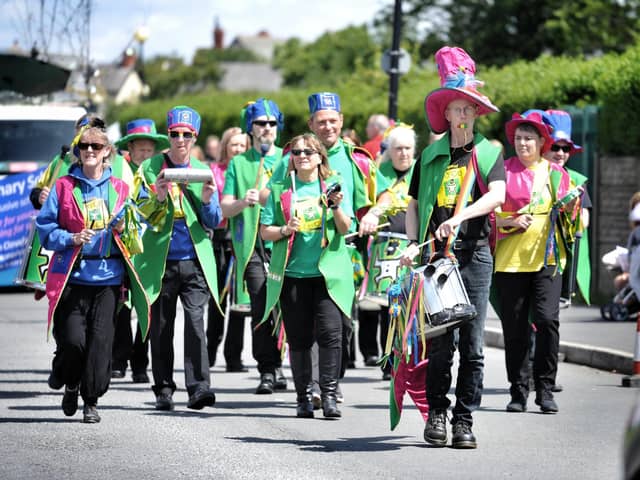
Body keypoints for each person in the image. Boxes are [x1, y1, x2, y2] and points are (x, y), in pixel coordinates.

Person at [400, 46, 505, 449]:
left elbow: (497, 196)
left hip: (474, 256)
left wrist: (460, 217)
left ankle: (464, 420)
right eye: (458, 109)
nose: (464, 116)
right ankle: (438, 415)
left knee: (473, 344)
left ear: (477, 115)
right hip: (436, 261)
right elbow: (413, 205)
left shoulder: (488, 153)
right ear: (445, 114)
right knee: (441, 344)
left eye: (470, 110)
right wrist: (413, 244)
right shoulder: (429, 156)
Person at [36, 120, 147, 423]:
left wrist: (125, 229)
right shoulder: (63, 186)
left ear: (106, 152)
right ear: (77, 151)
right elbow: (45, 228)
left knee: (100, 344)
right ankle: (69, 381)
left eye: (95, 146)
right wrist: (70, 238)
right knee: (72, 341)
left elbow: (140, 229)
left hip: (108, 280)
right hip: (71, 277)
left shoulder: (121, 189)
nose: (89, 151)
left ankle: (91, 400)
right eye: (84, 146)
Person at [131, 105, 222, 411]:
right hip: (160, 259)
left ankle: (198, 388)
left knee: (196, 323)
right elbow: (139, 211)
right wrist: (157, 196)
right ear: (167, 135)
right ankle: (164, 388)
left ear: (194, 137)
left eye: (186, 134)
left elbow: (213, 220)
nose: (180, 139)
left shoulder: (201, 170)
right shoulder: (150, 168)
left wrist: (208, 199)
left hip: (195, 259)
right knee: (161, 326)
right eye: (174, 134)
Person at [260, 133, 354, 418]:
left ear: (320, 158)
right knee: (299, 339)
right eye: (297, 152)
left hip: (327, 275)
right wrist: (285, 230)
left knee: (331, 334)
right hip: (293, 274)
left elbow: (345, 227)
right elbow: (265, 231)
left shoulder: (333, 187)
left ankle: (328, 396)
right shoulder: (280, 189)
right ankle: (302, 398)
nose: (302, 156)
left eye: (309, 152)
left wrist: (335, 206)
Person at [493, 110, 573, 415]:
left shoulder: (555, 173)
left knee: (548, 320)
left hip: (548, 259)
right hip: (511, 262)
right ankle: (518, 390)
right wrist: (511, 221)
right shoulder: (503, 170)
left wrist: (571, 211)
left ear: (542, 142)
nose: (522, 143)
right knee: (515, 331)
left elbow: (570, 216)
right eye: (518, 138)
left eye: (529, 138)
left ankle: (545, 388)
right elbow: (488, 215)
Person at [220, 98, 288, 394]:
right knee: (261, 306)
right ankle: (267, 370)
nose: (267, 129)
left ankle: (282, 363)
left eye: (272, 124)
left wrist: (266, 196)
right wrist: (241, 202)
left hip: (285, 244)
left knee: (285, 309)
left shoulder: (289, 159)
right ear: (252, 127)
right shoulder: (238, 162)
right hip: (252, 248)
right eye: (261, 123)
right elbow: (224, 209)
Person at [110, 119, 170, 383]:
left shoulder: (158, 172)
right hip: (122, 244)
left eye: (150, 150)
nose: (145, 154)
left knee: (147, 303)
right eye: (141, 149)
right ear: (130, 148)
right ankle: (119, 359)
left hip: (150, 247)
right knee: (122, 304)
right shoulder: (117, 172)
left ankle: (140, 363)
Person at [357, 124, 417, 378]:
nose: (403, 153)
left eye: (407, 148)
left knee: (405, 307)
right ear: (389, 151)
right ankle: (384, 358)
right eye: (398, 149)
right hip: (383, 246)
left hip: (410, 247)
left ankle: (402, 359)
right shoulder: (379, 172)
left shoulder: (420, 171)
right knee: (383, 306)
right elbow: (375, 201)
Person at [206, 126, 250, 371]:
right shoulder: (215, 170)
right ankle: (209, 352)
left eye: (242, 145)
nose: (238, 149)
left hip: (242, 238)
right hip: (220, 238)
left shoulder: (250, 170)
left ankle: (234, 356)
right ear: (225, 147)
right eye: (234, 145)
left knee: (239, 301)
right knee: (218, 300)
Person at [541, 109, 592, 305]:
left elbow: (584, 221)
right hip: (525, 256)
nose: (560, 153)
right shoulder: (530, 175)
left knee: (547, 319)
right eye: (555, 147)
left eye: (566, 149)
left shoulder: (577, 180)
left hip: (559, 259)